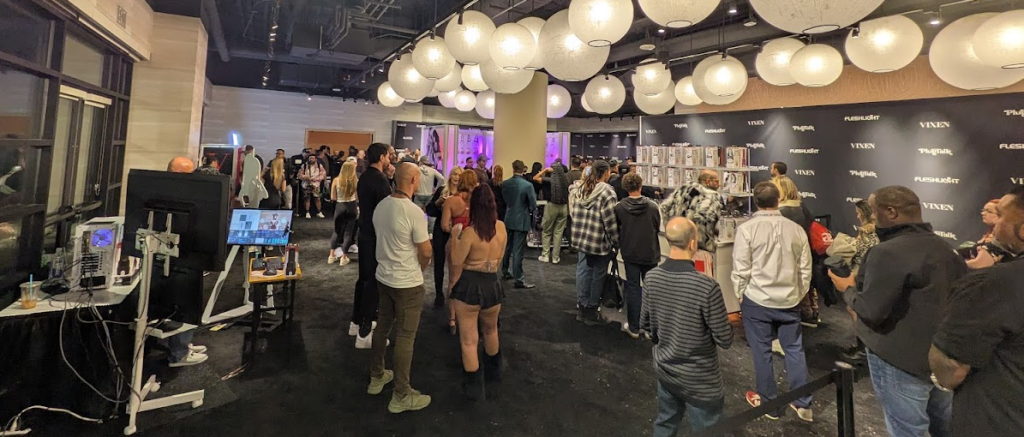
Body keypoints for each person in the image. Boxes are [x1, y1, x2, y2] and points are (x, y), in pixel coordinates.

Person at [829, 185, 968, 437]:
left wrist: (846, 288)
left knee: (907, 430)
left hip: (899, 362)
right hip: (940, 359)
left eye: (874, 211)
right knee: (944, 426)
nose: (872, 217)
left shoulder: (886, 252)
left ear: (891, 212)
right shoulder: (946, 248)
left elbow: (871, 311)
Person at [929, 186, 1024, 437]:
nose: (996, 225)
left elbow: (950, 369)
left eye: (1001, 216)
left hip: (996, 421)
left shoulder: (993, 284)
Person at [641, 217, 733, 436]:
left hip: (666, 371)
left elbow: (646, 325)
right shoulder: (707, 286)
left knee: (665, 424)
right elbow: (725, 339)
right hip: (701, 380)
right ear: (693, 243)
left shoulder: (651, 278)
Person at [732, 181, 813, 422]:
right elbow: (805, 269)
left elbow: (741, 268)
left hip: (757, 300)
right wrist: (798, 294)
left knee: (762, 351)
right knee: (794, 349)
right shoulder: (796, 230)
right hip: (789, 299)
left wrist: (740, 293)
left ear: (755, 201)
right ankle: (803, 403)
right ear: (778, 200)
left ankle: (769, 403)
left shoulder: (746, 229)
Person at [367, 162, 433, 414]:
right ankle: (401, 394)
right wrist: (421, 267)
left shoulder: (381, 206)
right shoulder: (413, 211)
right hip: (407, 283)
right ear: (414, 180)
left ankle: (376, 376)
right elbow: (426, 251)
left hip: (384, 277)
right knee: (405, 337)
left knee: (382, 326)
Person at [449, 184, 508, 401]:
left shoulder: (470, 234)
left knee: (469, 340)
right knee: (491, 331)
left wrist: (454, 237)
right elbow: (499, 259)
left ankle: (474, 391)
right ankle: (494, 375)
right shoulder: (501, 227)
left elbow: (456, 260)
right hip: (492, 284)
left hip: (469, 286)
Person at [165, 157, 209, 367]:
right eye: (187, 173)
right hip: (176, 257)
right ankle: (179, 352)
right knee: (180, 303)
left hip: (189, 254)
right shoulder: (168, 195)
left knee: (189, 301)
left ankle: (183, 344)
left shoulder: (184, 193)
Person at [351, 143, 393, 348]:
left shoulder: (365, 176)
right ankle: (365, 332)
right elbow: (387, 208)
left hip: (365, 232)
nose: (390, 160)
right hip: (375, 235)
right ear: (382, 157)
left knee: (364, 279)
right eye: (389, 156)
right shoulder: (379, 179)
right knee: (372, 283)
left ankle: (356, 322)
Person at [569, 160, 619, 325]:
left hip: (581, 239)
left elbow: (573, 213)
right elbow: (610, 222)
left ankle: (582, 305)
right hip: (598, 241)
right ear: (606, 173)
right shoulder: (607, 193)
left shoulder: (579, 189)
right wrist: (615, 242)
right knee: (598, 274)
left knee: (583, 270)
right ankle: (591, 309)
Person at [615, 173, 661, 338]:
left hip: (630, 252)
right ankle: (650, 328)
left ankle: (634, 327)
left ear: (625, 187)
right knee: (651, 289)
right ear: (640, 186)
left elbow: (617, 228)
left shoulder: (619, 207)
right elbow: (657, 226)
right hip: (650, 252)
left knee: (633, 288)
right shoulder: (653, 206)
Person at [773, 176, 819, 328]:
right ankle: (811, 312)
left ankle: (800, 314)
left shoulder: (780, 212)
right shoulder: (802, 207)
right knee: (806, 281)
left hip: (787, 252)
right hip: (805, 249)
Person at [660, 170, 724, 277]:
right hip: (698, 250)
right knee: (700, 282)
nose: (719, 184)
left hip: (677, 247)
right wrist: (696, 238)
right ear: (708, 182)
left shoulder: (683, 189)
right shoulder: (712, 196)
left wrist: (671, 229)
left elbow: (664, 207)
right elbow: (702, 218)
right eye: (717, 181)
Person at [841, 199, 881, 364]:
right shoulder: (880, 231)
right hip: (872, 276)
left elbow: (861, 255)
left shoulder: (867, 233)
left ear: (864, 213)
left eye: (858, 213)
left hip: (862, 276)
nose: (857, 216)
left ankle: (863, 349)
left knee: (856, 310)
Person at [442, 170, 479, 333]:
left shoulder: (451, 201)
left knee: (453, 280)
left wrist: (456, 229)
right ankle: (469, 316)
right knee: (472, 280)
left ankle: (452, 319)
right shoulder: (478, 201)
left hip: (455, 242)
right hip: (474, 244)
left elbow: (444, 226)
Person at [428, 167, 463, 308]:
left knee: (456, 263)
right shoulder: (442, 190)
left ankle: (456, 293)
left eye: (459, 175)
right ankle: (438, 294)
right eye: (454, 174)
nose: (456, 177)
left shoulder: (463, 193)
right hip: (440, 231)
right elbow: (430, 210)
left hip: (457, 230)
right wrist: (439, 203)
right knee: (439, 262)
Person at [501, 160, 537, 289]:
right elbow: (533, 204)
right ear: (523, 170)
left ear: (513, 169)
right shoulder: (527, 185)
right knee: (517, 250)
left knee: (507, 247)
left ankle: (505, 271)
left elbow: (504, 199)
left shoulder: (505, 184)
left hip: (509, 217)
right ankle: (519, 279)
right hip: (521, 219)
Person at [534, 163, 570, 264]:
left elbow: (535, 178)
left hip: (551, 206)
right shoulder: (566, 181)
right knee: (558, 233)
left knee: (547, 231)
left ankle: (545, 255)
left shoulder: (548, 181)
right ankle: (555, 257)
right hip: (564, 207)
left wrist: (545, 170)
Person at [329, 160, 359, 266]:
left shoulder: (336, 180)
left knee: (336, 231)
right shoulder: (356, 181)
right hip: (352, 207)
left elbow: (332, 197)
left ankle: (331, 256)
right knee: (348, 233)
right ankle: (344, 257)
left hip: (340, 206)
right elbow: (357, 197)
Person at [966, 199, 1003, 269]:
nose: (983, 213)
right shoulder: (988, 236)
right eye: (983, 210)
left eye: (988, 211)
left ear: (1000, 216)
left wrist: (955, 264)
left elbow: (979, 264)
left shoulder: (1001, 239)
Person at [415, 156, 445, 232]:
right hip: (429, 194)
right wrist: (436, 188)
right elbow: (442, 179)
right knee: (430, 215)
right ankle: (430, 232)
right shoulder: (432, 170)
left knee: (417, 214)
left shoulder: (416, 169)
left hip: (418, 194)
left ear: (420, 162)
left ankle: (418, 231)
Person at [298, 154, 326, 219]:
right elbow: (299, 175)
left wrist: (315, 179)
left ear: (315, 159)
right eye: (310, 158)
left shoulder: (319, 166)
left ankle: (319, 212)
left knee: (317, 198)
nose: (311, 159)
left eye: (313, 158)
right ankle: (307, 212)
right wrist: (305, 177)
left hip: (316, 185)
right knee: (307, 198)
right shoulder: (304, 166)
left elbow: (323, 174)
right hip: (306, 184)